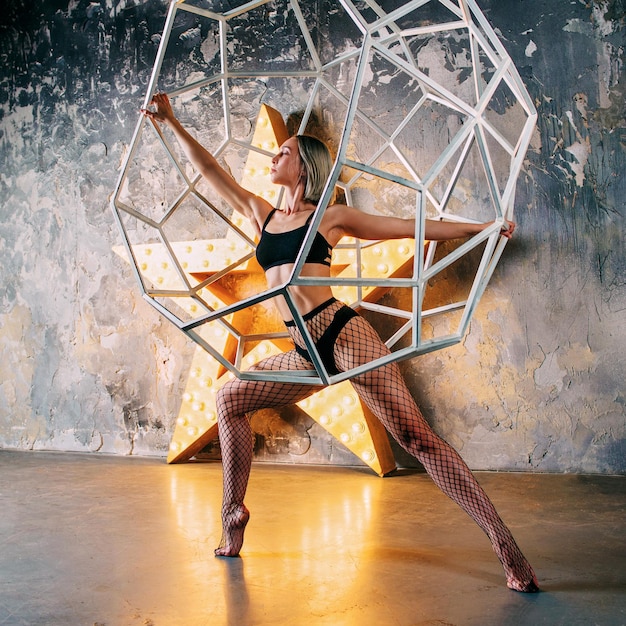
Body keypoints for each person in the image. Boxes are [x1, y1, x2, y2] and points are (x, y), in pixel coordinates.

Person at [142, 92, 539, 593]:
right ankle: (234, 513)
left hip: (342, 334)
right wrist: (172, 121)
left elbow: (408, 229)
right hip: (304, 351)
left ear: (304, 164)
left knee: (416, 439)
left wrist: (481, 229)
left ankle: (505, 544)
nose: (273, 157)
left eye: (283, 151)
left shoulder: (328, 217)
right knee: (227, 397)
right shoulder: (261, 214)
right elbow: (212, 173)